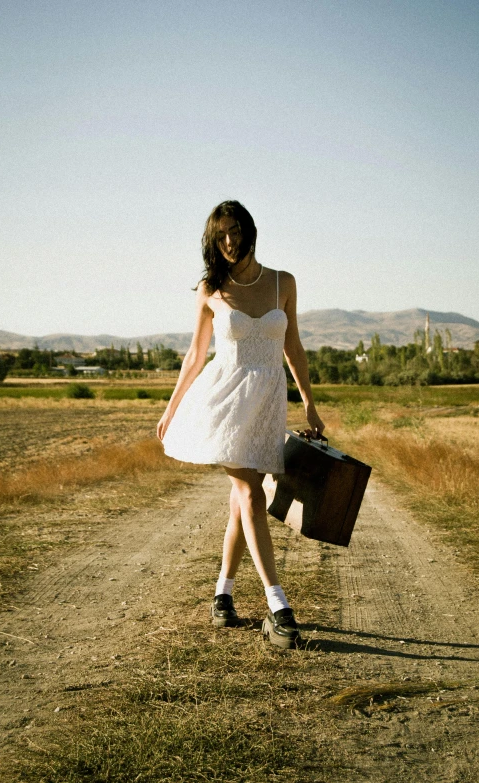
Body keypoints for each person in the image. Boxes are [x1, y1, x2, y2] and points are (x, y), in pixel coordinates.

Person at [157, 200, 325, 649]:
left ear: (249, 231)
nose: (229, 241)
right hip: (225, 399)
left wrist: (309, 402)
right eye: (221, 235)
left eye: (235, 231)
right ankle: (280, 610)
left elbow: (293, 347)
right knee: (250, 493)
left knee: (240, 499)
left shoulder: (281, 283)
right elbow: (196, 354)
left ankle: (222, 597)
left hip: (268, 401)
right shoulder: (211, 287)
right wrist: (172, 407)